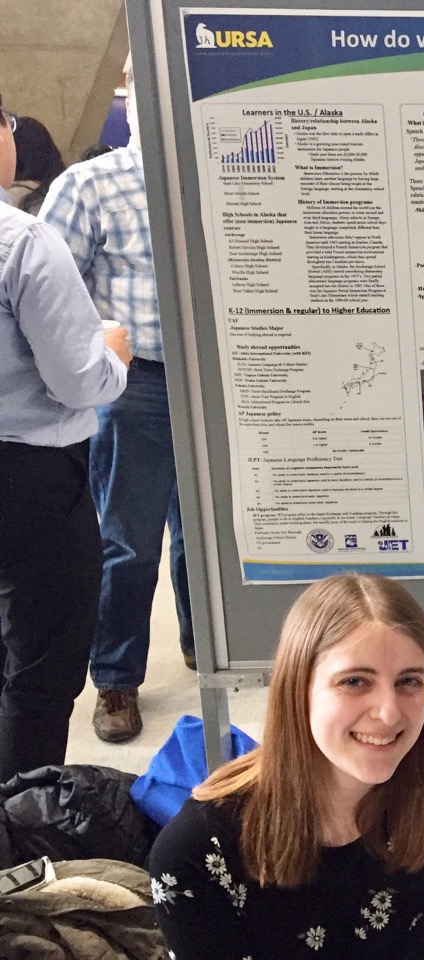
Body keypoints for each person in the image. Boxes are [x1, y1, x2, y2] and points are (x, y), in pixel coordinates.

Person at [148, 573, 424, 958]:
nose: (388, 712)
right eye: (355, 681)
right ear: (299, 688)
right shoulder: (196, 854)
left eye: (409, 681)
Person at [39, 54, 194, 742]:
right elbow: (46, 297)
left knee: (208, 538)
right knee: (128, 540)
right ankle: (117, 679)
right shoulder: (90, 187)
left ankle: (208, 646)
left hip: (220, 387)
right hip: (138, 386)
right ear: (129, 96)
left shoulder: (218, 172)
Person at [0, 96, 130, 781]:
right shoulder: (20, 240)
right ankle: (16, 846)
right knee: (41, 674)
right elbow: (79, 381)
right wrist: (112, 351)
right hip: (29, 481)